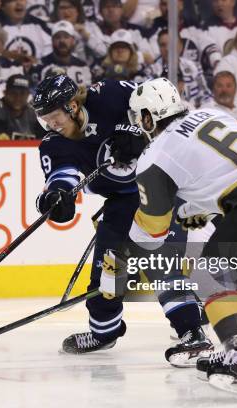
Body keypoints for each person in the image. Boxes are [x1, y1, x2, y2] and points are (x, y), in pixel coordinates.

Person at [112, 77, 237, 398]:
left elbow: (154, 229)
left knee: (211, 272)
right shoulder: (213, 114)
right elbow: (215, 173)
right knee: (217, 272)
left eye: (139, 119)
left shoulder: (155, 155)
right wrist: (191, 207)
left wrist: (126, 257)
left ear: (147, 117)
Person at [31, 74, 213, 364]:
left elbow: (164, 112)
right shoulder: (54, 145)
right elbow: (61, 178)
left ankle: (191, 330)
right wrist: (57, 198)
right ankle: (104, 331)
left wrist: (136, 132)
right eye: (45, 120)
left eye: (54, 117)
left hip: (160, 187)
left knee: (158, 263)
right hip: (122, 201)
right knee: (107, 268)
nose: (51, 125)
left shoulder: (111, 94)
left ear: (73, 107)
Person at [150, 29, 213, 108]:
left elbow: (206, 96)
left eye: (171, 44)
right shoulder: (152, 72)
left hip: (195, 115)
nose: (167, 49)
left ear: (180, 45)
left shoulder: (194, 67)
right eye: (163, 45)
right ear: (159, 48)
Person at [31, 20, 92, 86]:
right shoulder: (41, 66)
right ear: (52, 41)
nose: (62, 41)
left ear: (73, 40)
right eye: (57, 37)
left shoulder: (82, 66)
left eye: (66, 37)